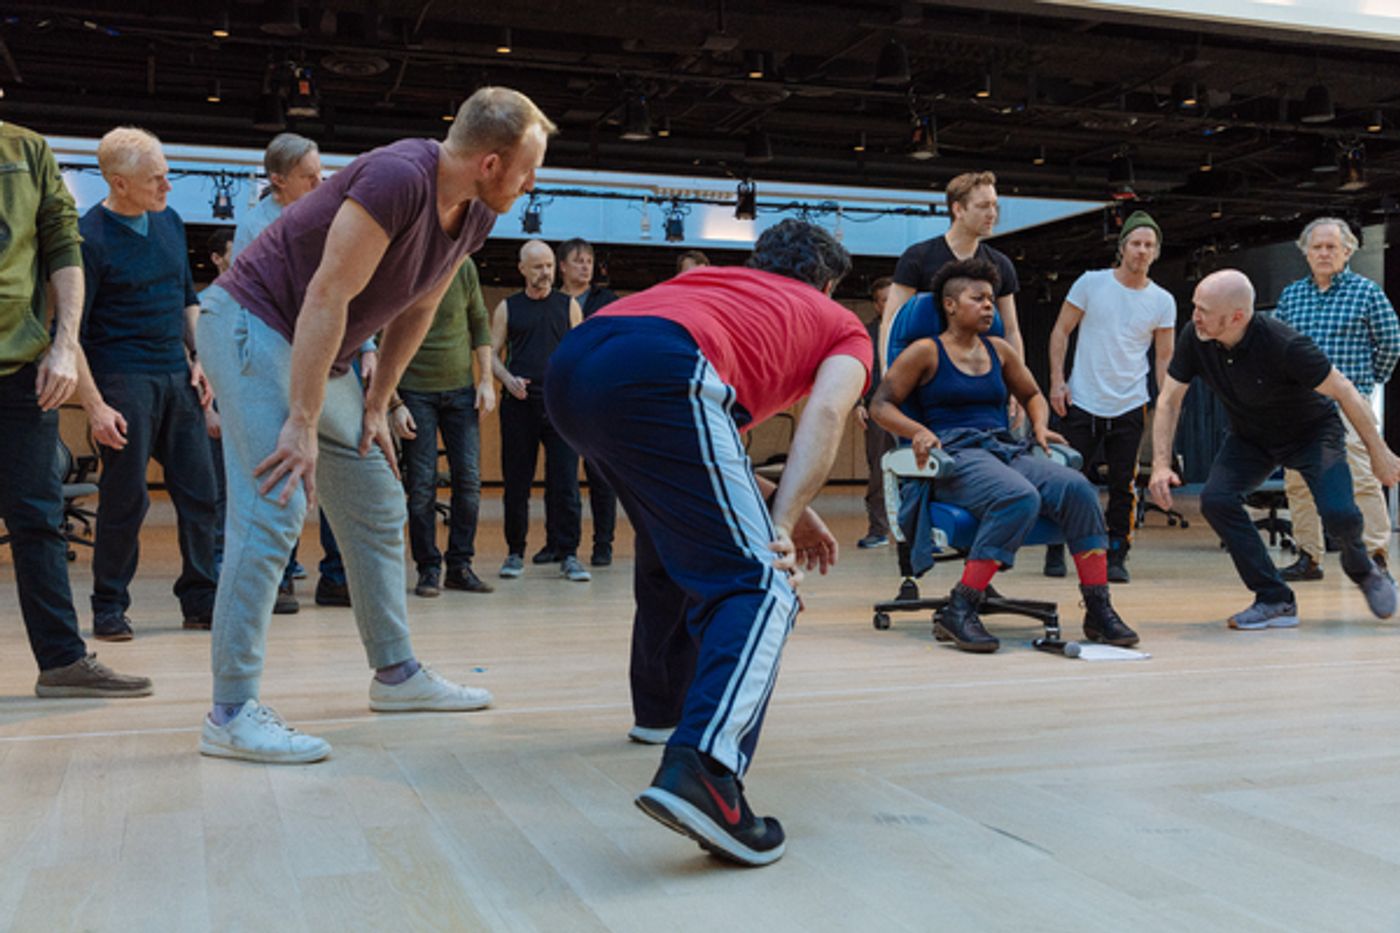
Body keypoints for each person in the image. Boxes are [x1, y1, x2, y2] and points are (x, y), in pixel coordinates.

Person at [194, 86, 553, 763]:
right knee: (276, 500)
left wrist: (378, 401)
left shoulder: (473, 216)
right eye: (528, 169)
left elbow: (417, 306)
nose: (533, 183)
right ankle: (231, 710)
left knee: (377, 497)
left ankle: (395, 674)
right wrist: (300, 419)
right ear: (492, 162)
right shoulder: (398, 176)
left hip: (315, 352)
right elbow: (328, 291)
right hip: (253, 324)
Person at [545, 218, 870, 867]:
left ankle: (663, 708)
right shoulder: (840, 324)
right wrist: (780, 522)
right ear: (827, 283)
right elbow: (828, 412)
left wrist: (768, 499)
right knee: (762, 581)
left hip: (573, 372)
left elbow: (690, 444)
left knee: (675, 548)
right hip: (664, 367)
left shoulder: (719, 284)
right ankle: (706, 769)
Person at [870, 258, 1137, 654]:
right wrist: (917, 432)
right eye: (977, 298)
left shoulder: (1000, 350)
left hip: (1003, 448)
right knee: (1018, 496)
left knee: (1079, 488)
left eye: (991, 299)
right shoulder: (924, 351)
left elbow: (1031, 394)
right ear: (950, 305)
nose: (989, 306)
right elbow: (881, 405)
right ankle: (958, 609)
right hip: (953, 455)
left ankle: (1098, 607)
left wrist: (1040, 425)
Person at [1149, 269, 1400, 630]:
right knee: (1217, 501)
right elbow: (1170, 400)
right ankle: (1275, 598)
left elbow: (1344, 390)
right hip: (1251, 438)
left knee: (1339, 514)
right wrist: (1160, 463)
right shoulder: (1196, 336)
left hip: (1312, 434)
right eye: (1195, 307)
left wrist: (1379, 452)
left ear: (1237, 316)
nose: (1195, 316)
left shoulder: (1285, 344)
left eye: (1204, 309)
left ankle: (1364, 569)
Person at [0, 120, 153, 697]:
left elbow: (63, 244)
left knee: (38, 518)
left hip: (20, 363)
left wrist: (65, 344)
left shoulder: (25, 149)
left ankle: (62, 662)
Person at [75, 126, 219, 640]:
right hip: (122, 377)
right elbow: (72, 333)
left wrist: (201, 358)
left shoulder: (171, 223)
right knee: (126, 498)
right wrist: (95, 407)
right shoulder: (88, 239)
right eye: (156, 178)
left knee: (202, 493)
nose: (168, 186)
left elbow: (187, 298)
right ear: (119, 182)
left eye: (167, 174)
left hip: (176, 375)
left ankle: (201, 600)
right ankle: (108, 605)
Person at [231, 132, 363, 611]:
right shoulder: (254, 227)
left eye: (321, 173)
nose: (320, 182)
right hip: (276, 363)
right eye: (309, 177)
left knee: (335, 469)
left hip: (329, 360)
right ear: (278, 182)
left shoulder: (331, 220)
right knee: (281, 467)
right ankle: (281, 578)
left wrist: (365, 345)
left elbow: (348, 286)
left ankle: (335, 576)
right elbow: (251, 307)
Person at [1044, 210, 1176, 582]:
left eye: (1149, 245)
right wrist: (1057, 380)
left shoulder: (1162, 300)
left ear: (1156, 252)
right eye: (1135, 243)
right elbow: (1060, 332)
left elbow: (1164, 356)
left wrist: (1165, 400)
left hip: (1131, 401)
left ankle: (1117, 553)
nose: (1141, 250)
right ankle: (1057, 546)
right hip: (1082, 398)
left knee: (1123, 484)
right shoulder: (1091, 283)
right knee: (1069, 477)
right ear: (1122, 248)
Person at [1273, 217, 1400, 582]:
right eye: (1317, 247)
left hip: (1349, 405)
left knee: (1362, 478)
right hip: (1299, 405)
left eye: (1332, 247)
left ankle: (1376, 558)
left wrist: (1367, 383)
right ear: (1306, 253)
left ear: (1348, 251)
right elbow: (1279, 348)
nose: (1324, 253)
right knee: (1297, 482)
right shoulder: (1291, 295)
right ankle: (1308, 556)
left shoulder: (1367, 293)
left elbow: (1390, 343)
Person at [391, 256, 497, 597]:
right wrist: (393, 402)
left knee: (469, 481)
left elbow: (479, 321)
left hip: (461, 390)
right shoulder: (401, 264)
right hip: (414, 392)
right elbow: (379, 340)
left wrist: (485, 382)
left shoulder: (463, 265)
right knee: (421, 486)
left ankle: (459, 566)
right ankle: (428, 569)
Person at [491, 239, 588, 582]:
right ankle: (514, 552)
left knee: (565, 483)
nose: (545, 273)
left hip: (559, 406)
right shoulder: (508, 308)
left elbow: (579, 354)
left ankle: (570, 554)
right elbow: (491, 353)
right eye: (538, 267)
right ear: (522, 269)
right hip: (519, 407)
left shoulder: (569, 306)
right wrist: (506, 377)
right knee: (517, 483)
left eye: (549, 266)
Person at [882, 171, 1021, 368]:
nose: (992, 213)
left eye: (993, 205)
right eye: (983, 206)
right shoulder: (918, 257)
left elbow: (1011, 330)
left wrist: (1019, 386)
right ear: (958, 209)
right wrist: (889, 377)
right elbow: (891, 323)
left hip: (981, 372)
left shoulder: (1001, 264)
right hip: (924, 372)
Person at [557, 237, 621, 566]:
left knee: (600, 475)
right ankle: (562, 545)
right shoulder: (551, 302)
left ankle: (603, 543)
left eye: (589, 261)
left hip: (597, 397)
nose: (586, 266)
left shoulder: (607, 300)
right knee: (563, 477)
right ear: (563, 266)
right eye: (579, 260)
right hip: (563, 396)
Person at [854, 276, 896, 548]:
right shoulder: (865, 333)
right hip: (878, 408)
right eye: (884, 300)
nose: (890, 304)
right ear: (876, 305)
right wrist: (857, 403)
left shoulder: (915, 331)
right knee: (880, 469)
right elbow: (856, 369)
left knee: (919, 468)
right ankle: (878, 530)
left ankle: (921, 533)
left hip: (912, 408)